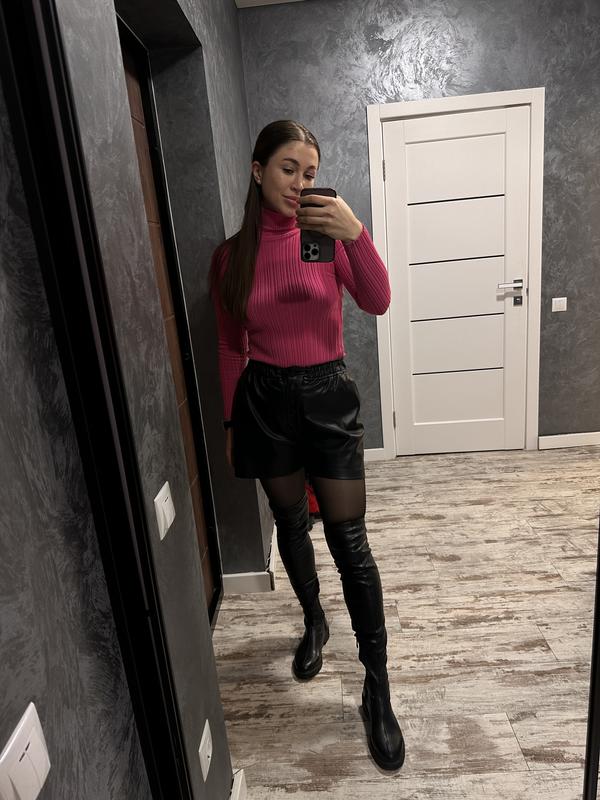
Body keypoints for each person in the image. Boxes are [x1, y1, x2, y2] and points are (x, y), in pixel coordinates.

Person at [209, 120, 405, 771]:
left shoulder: (326, 237)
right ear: (258, 170)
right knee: (291, 521)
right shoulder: (231, 257)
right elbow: (229, 346)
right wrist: (232, 425)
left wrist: (357, 234)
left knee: (351, 542)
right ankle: (314, 618)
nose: (300, 183)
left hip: (328, 397)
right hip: (265, 401)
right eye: (288, 168)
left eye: (310, 172)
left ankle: (377, 686)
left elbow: (377, 300)